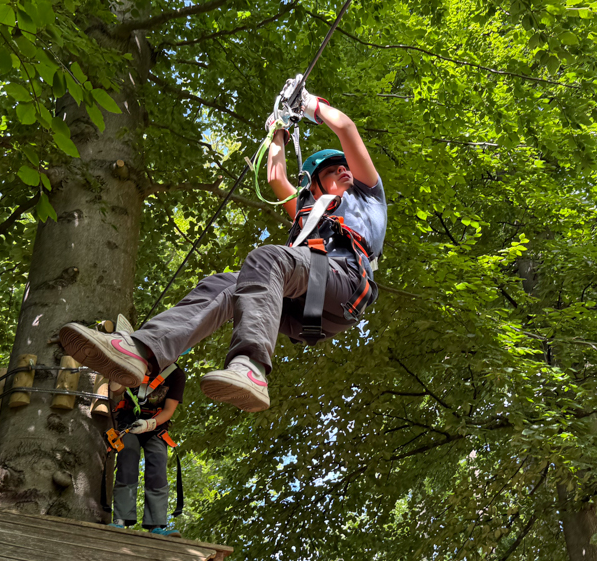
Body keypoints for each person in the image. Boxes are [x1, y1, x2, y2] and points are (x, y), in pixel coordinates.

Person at [60, 87, 386, 412]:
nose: (344, 170)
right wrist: (278, 131)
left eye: (346, 167)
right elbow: (276, 177)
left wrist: (308, 104)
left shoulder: (367, 197)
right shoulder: (308, 213)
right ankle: (141, 350)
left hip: (345, 282)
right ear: (312, 186)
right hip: (302, 307)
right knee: (223, 284)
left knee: (267, 259)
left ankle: (251, 367)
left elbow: (345, 128)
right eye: (331, 170)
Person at [110, 364, 186, 537]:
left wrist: (150, 424)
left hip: (156, 427)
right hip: (129, 422)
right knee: (127, 460)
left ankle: (156, 524)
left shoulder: (176, 375)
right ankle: (121, 519)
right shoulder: (136, 361)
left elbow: (168, 410)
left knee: (158, 469)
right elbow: (116, 389)